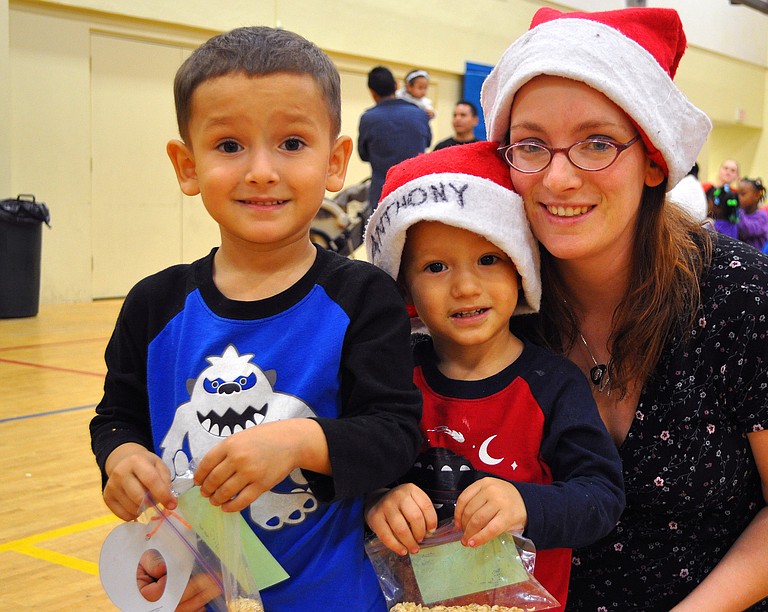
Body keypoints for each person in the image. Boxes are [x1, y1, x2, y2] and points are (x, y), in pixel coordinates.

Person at [481, 7, 768, 611]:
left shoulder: (745, 302)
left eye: (597, 143)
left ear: (654, 160)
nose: (559, 177)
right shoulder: (492, 300)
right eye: (532, 145)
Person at [89, 27, 423, 611]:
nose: (262, 170)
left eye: (292, 143)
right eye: (229, 145)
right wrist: (122, 459)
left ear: (335, 161)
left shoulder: (363, 297)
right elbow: (117, 417)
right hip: (197, 588)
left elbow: (394, 436)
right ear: (187, 166)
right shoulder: (153, 304)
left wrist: (298, 441)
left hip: (332, 596)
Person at [363, 141, 625, 610]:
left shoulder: (553, 385)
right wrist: (377, 500)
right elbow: (351, 467)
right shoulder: (394, 377)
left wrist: (526, 504)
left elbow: (602, 498)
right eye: (436, 267)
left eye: (488, 259)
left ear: (521, 267)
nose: (466, 287)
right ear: (404, 285)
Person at [359, 66, 431, 219]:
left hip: (382, 194)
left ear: (372, 92)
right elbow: (427, 143)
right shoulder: (420, 114)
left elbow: (363, 154)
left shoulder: (368, 118)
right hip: (415, 194)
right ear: (396, 85)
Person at [736, 177, 768, 250]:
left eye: (742, 194)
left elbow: (747, 230)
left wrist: (737, 210)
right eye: (737, 194)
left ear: (756, 196)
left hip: (756, 255)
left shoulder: (762, 216)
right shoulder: (740, 214)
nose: (738, 198)